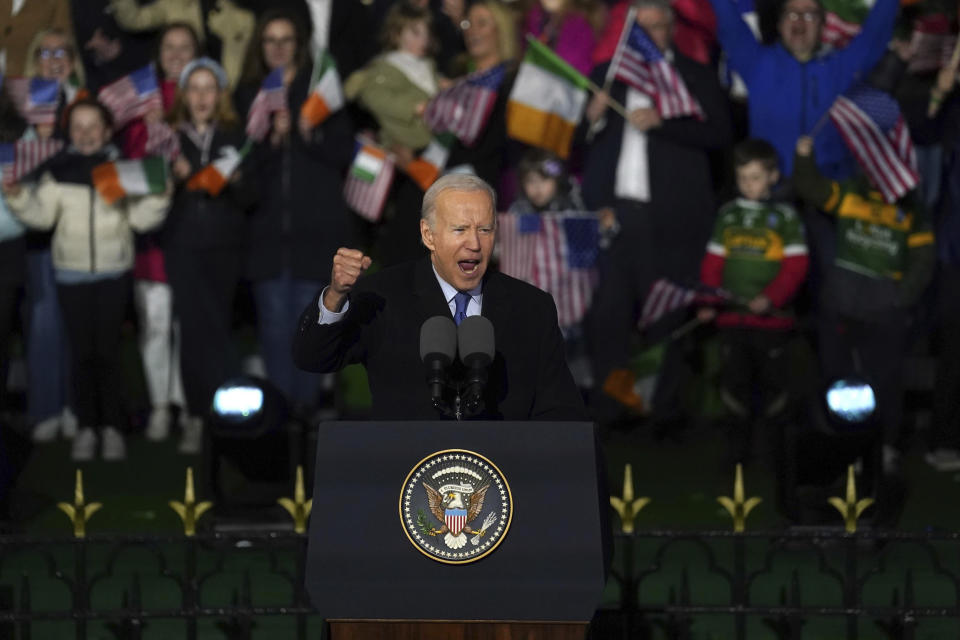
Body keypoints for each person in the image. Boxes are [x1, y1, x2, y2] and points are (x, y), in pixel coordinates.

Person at [293, 173, 587, 421]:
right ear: (428, 234)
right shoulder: (382, 296)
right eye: (460, 229)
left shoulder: (532, 307)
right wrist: (334, 296)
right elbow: (313, 357)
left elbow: (560, 410)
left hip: (503, 479)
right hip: (405, 477)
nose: (474, 244)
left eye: (485, 230)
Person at [581, 0, 732, 423]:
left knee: (665, 321)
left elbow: (721, 133)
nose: (646, 37)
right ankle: (613, 410)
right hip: (614, 220)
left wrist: (664, 122)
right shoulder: (609, 77)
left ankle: (663, 414)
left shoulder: (694, 76)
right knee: (608, 320)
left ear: (671, 28)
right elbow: (577, 147)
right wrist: (590, 119)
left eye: (656, 27)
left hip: (670, 221)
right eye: (639, 29)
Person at [4, 99, 171, 461]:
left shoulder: (119, 171)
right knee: (82, 354)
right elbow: (42, 216)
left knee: (108, 352)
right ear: (69, 133)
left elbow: (140, 219)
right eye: (77, 127)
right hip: (71, 274)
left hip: (113, 272)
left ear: (107, 130)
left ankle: (111, 427)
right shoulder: (59, 171)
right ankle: (85, 427)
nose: (86, 134)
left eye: (93, 126)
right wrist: (18, 198)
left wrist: (159, 197)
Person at [236, 9, 354, 423]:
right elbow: (243, 172)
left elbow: (345, 151)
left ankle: (305, 415)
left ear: (299, 45)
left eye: (286, 39)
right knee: (273, 327)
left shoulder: (319, 91)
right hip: (267, 238)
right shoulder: (249, 94)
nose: (279, 48)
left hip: (315, 234)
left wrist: (308, 134)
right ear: (260, 47)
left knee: (310, 326)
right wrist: (271, 140)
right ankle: (280, 417)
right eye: (270, 40)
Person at [793, 135, 934, 471]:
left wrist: (899, 299)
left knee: (885, 380)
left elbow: (923, 260)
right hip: (842, 306)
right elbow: (810, 187)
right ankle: (848, 446)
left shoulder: (911, 209)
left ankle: (884, 446)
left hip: (885, 313)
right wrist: (803, 156)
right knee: (841, 381)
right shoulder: (851, 193)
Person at [696, 138, 809, 462]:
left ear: (773, 177)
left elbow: (796, 267)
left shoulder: (785, 218)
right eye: (743, 177)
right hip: (733, 320)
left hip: (772, 322)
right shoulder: (728, 215)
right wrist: (708, 301)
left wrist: (771, 298)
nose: (748, 185)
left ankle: (775, 454)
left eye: (756, 177)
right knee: (734, 386)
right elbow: (713, 265)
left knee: (775, 388)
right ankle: (735, 454)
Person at [164, 57, 251, 454]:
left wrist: (236, 181)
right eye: (194, 89)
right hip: (183, 246)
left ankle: (223, 413)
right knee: (192, 332)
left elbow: (254, 199)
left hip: (224, 247)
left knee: (219, 328)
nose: (201, 97)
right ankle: (196, 417)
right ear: (184, 95)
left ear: (220, 95)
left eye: (208, 88)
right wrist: (170, 179)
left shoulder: (235, 138)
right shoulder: (169, 139)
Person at [708, 0, 898, 179]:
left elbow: (876, 33)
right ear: (780, 25)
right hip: (773, 189)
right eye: (791, 14)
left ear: (823, 26)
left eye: (809, 15)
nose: (799, 21)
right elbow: (728, 22)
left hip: (829, 192)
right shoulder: (757, 63)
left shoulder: (841, 68)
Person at [125, 23, 198, 444]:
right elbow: (132, 160)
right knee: (154, 325)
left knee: (188, 327)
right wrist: (146, 129)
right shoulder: (142, 100)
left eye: (184, 47)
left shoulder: (204, 96)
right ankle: (159, 406)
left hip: (191, 231)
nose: (176, 54)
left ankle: (189, 408)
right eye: (169, 47)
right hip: (152, 234)